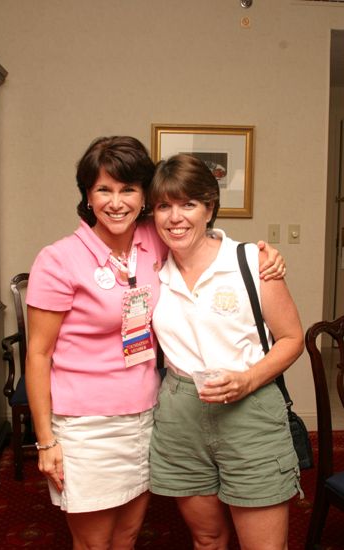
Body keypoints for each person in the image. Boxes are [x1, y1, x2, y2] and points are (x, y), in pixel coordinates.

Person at [25, 136, 286, 550]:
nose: (116, 202)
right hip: (87, 426)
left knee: (127, 536)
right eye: (103, 189)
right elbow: (38, 355)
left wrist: (259, 254)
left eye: (128, 189)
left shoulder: (152, 239)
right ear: (87, 196)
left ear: (144, 196)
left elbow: (196, 228)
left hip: (149, 416)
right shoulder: (58, 260)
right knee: (95, 544)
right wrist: (46, 440)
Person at [148, 154, 304, 550]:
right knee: (207, 539)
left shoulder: (251, 261)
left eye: (188, 204)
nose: (175, 217)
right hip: (180, 413)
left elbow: (292, 338)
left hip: (249, 411)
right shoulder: (151, 270)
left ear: (210, 208)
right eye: (164, 205)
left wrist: (247, 379)